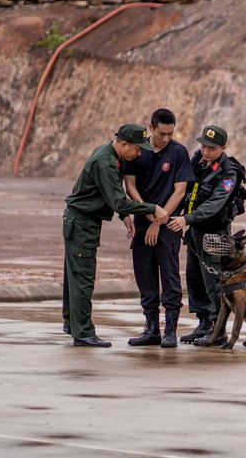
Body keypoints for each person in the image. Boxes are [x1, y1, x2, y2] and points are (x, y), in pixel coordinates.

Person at [62, 124, 169, 347]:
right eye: (136, 149)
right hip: (82, 224)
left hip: (83, 222)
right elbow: (118, 200)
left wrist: (124, 216)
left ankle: (74, 325)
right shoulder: (106, 162)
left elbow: (112, 192)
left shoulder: (112, 156)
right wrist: (152, 208)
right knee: (82, 277)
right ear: (124, 144)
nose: (138, 154)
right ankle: (83, 332)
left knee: (76, 275)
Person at [124, 109, 194, 348]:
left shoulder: (178, 152)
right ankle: (151, 329)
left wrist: (158, 221)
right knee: (145, 276)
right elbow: (130, 185)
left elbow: (180, 191)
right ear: (151, 128)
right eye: (162, 133)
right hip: (142, 222)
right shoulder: (137, 150)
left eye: (170, 134)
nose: (166, 138)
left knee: (170, 277)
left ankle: (170, 331)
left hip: (168, 225)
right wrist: (147, 212)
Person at [167, 125, 240, 347]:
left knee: (214, 282)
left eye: (212, 148)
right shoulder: (198, 160)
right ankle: (204, 324)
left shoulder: (229, 172)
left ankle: (219, 331)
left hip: (215, 234)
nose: (206, 151)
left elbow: (214, 205)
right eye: (204, 147)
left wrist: (185, 219)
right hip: (196, 231)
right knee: (195, 277)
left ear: (223, 148)